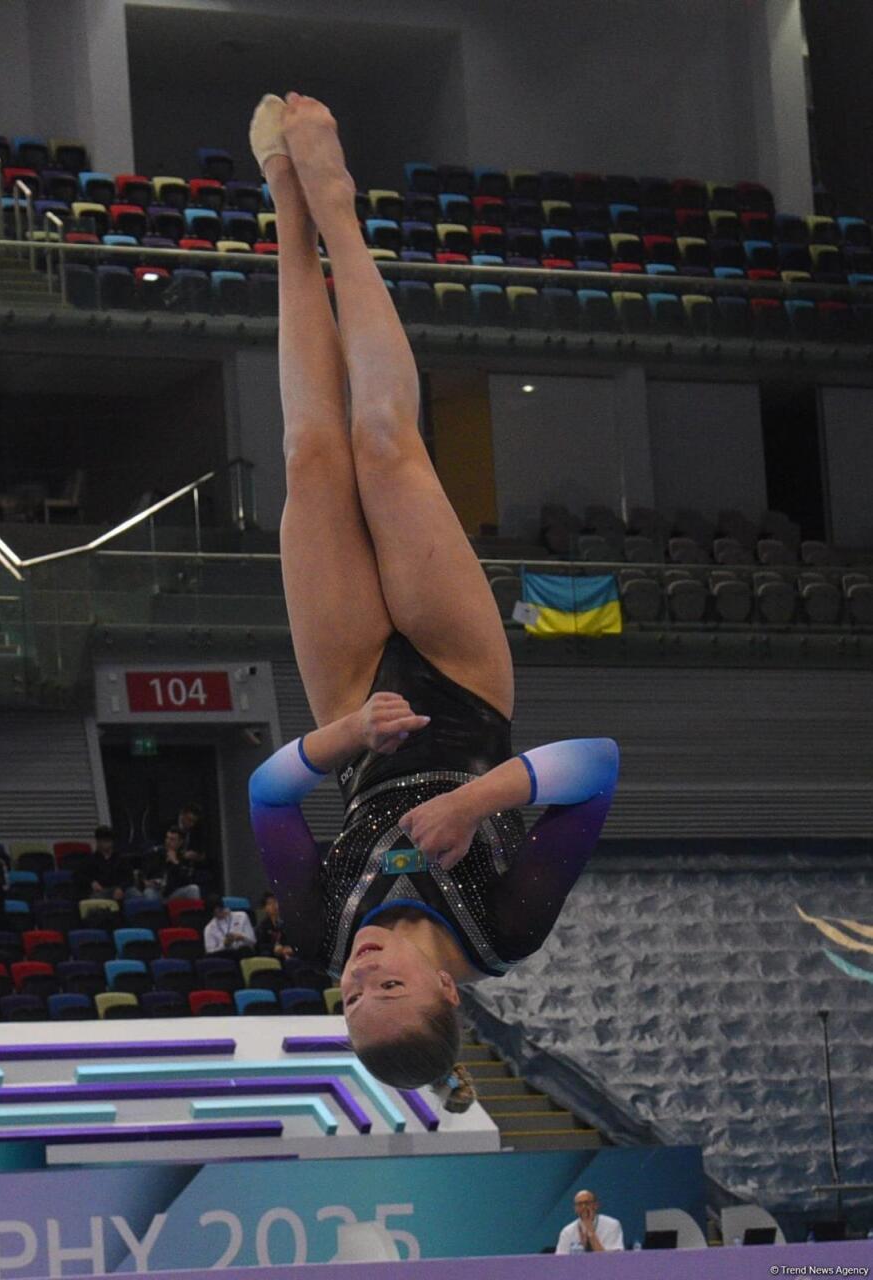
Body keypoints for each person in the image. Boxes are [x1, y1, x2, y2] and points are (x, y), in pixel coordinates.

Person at [245, 93, 619, 1090]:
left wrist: (342, 738)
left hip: (354, 711)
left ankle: (283, 197)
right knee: (386, 446)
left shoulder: (323, 929)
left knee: (313, 458)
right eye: (389, 993)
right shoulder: (507, 925)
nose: (361, 977)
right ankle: (335, 201)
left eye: (352, 1000)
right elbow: (597, 766)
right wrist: (482, 795)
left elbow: (269, 794)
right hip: (462, 685)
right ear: (450, 993)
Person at [555, 1190, 624, 1254]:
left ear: (596, 1205)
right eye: (579, 1204)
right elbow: (560, 1260)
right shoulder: (567, 1232)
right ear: (575, 1208)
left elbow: (612, 1260)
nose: (584, 1207)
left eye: (587, 1203)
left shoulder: (612, 1225)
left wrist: (590, 1231)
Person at [87, 826, 130, 902]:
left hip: (120, 889)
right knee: (95, 899)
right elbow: (79, 876)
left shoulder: (120, 858)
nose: (108, 843)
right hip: (102, 890)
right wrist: (92, 882)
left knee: (135, 894)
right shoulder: (91, 859)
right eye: (104, 840)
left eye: (109, 840)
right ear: (98, 842)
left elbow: (129, 877)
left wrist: (121, 888)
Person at [255, 891, 295, 960]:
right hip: (271, 955)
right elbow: (260, 946)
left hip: (285, 952)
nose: (274, 905)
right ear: (265, 908)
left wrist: (289, 947)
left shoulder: (284, 924)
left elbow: (289, 940)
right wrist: (273, 948)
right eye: (270, 904)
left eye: (275, 902)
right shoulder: (262, 926)